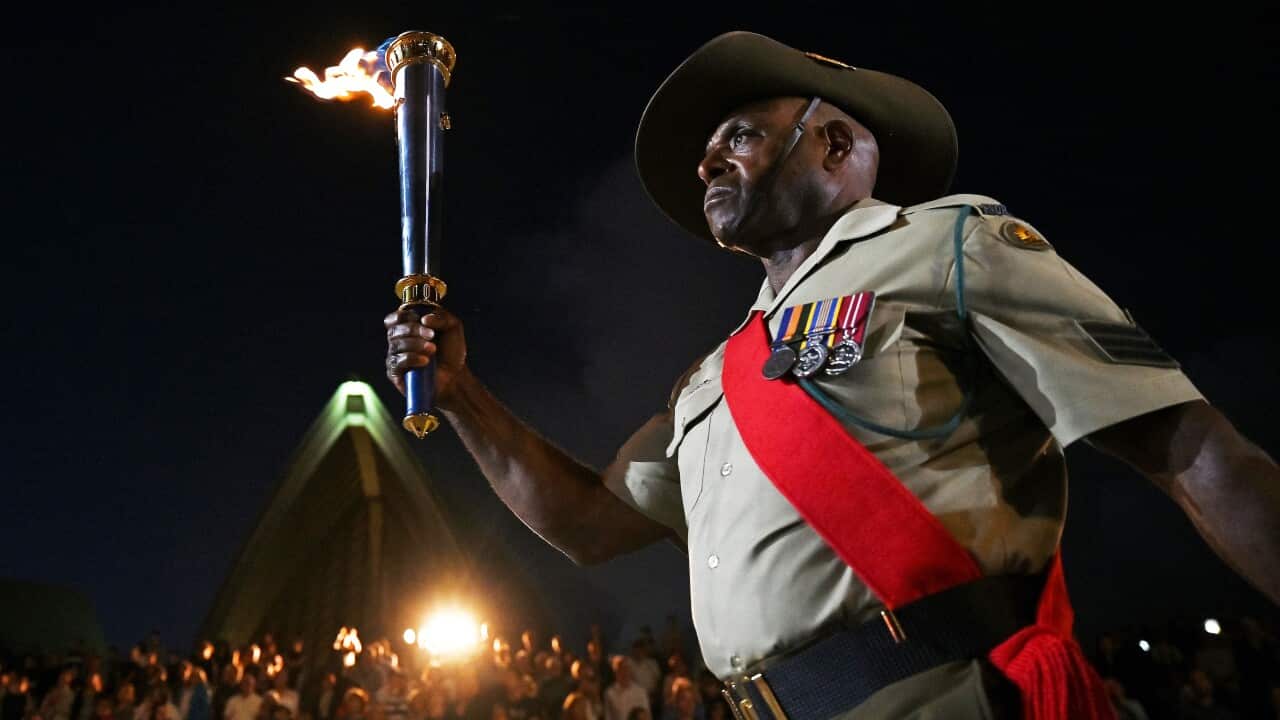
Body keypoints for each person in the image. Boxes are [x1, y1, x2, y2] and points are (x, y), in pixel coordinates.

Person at [384, 31, 1280, 719]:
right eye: (709, 149)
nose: (707, 161)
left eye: (740, 134)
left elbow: (1190, 450)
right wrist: (461, 395)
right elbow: (588, 523)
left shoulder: (949, 243)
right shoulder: (712, 377)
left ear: (837, 146)